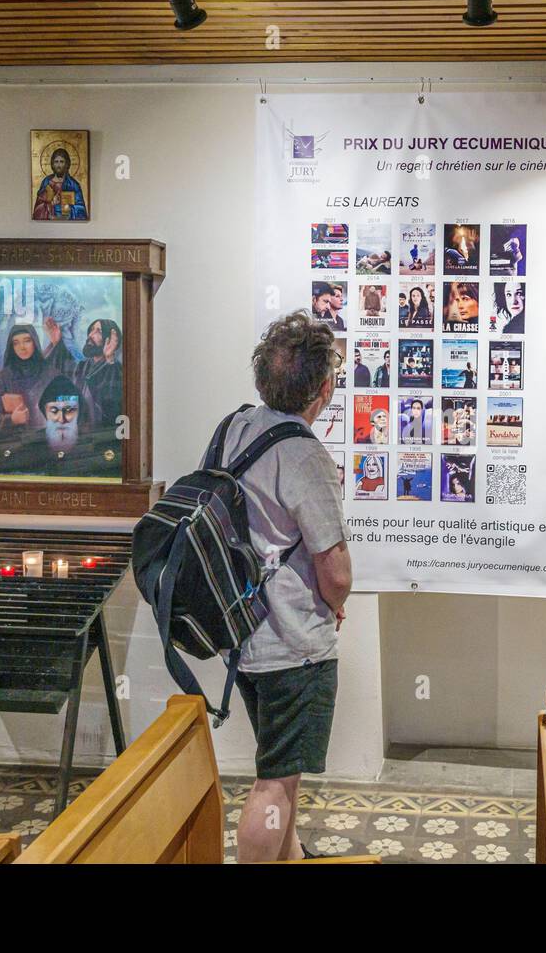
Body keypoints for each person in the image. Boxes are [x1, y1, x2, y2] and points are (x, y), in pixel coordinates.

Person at [228, 311, 352, 863]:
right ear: (323, 389)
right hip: (292, 644)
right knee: (274, 782)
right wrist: (336, 605)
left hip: (245, 633)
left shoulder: (237, 427)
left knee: (281, 767)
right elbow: (336, 569)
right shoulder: (304, 455)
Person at [32, 147, 88, 221]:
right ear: (52, 164)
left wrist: (65, 206)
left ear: (67, 164)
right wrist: (51, 203)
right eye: (56, 162)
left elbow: (82, 211)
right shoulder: (46, 182)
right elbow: (37, 210)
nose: (58, 165)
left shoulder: (73, 184)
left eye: (61, 162)